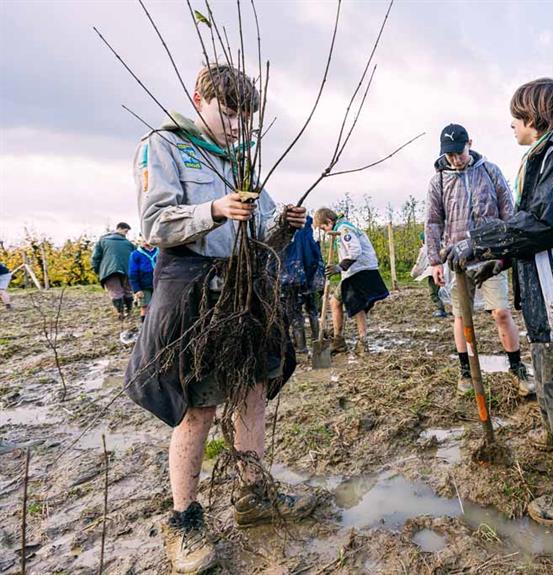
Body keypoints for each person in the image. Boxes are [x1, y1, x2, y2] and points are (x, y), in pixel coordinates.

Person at [123, 64, 315, 574]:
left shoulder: (242, 159)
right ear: (199, 99)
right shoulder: (163, 145)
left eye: (245, 120)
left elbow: (260, 236)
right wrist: (213, 209)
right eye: (229, 114)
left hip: (244, 290)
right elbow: (154, 222)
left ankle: (254, 495)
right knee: (199, 406)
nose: (237, 127)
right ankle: (183, 520)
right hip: (194, 292)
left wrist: (284, 227)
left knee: (254, 390)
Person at [444, 78, 553, 525]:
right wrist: (496, 261)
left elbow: (544, 226)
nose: (511, 127)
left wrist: (476, 241)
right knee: (548, 377)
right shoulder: (542, 163)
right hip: (545, 292)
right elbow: (528, 226)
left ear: (535, 119)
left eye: (515, 120)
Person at [425, 123, 532, 397]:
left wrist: (508, 251)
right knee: (461, 316)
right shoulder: (438, 181)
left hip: (491, 255)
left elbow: (508, 210)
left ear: (469, 144)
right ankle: (466, 372)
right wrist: (435, 261)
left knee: (502, 312)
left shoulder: (489, 171)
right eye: (449, 155)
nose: (455, 159)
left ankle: (517, 368)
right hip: (457, 259)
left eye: (459, 153)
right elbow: (434, 221)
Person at [312, 207, 389, 355]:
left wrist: (339, 267)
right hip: (356, 271)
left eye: (323, 228)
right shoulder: (341, 227)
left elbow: (355, 251)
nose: (325, 232)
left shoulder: (344, 229)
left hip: (361, 271)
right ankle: (339, 339)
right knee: (336, 302)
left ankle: (361, 341)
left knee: (356, 305)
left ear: (329, 222)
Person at [279, 215, 325, 354]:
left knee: (295, 313)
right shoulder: (310, 236)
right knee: (313, 311)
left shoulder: (285, 237)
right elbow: (316, 258)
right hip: (311, 280)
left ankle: (301, 347)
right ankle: (319, 343)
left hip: (291, 280)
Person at [91, 222, 136, 320]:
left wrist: (97, 269)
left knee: (116, 292)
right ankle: (129, 312)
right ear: (119, 228)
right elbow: (135, 256)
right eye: (126, 231)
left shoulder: (102, 241)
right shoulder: (128, 243)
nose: (126, 233)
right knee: (127, 290)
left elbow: (95, 257)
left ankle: (121, 313)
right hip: (126, 270)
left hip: (109, 271)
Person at [411, 232, 447, 318]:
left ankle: (440, 310)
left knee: (434, 293)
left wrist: (413, 273)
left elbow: (420, 264)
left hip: (433, 273)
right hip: (444, 272)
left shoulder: (425, 249)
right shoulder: (442, 246)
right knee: (444, 290)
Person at [127, 237, 159, 323]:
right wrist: (137, 289)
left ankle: (156, 326)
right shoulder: (135, 254)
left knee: (159, 306)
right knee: (145, 306)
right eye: (143, 240)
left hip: (159, 284)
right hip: (144, 285)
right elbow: (132, 273)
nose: (145, 242)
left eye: (147, 240)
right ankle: (144, 328)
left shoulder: (160, 252)